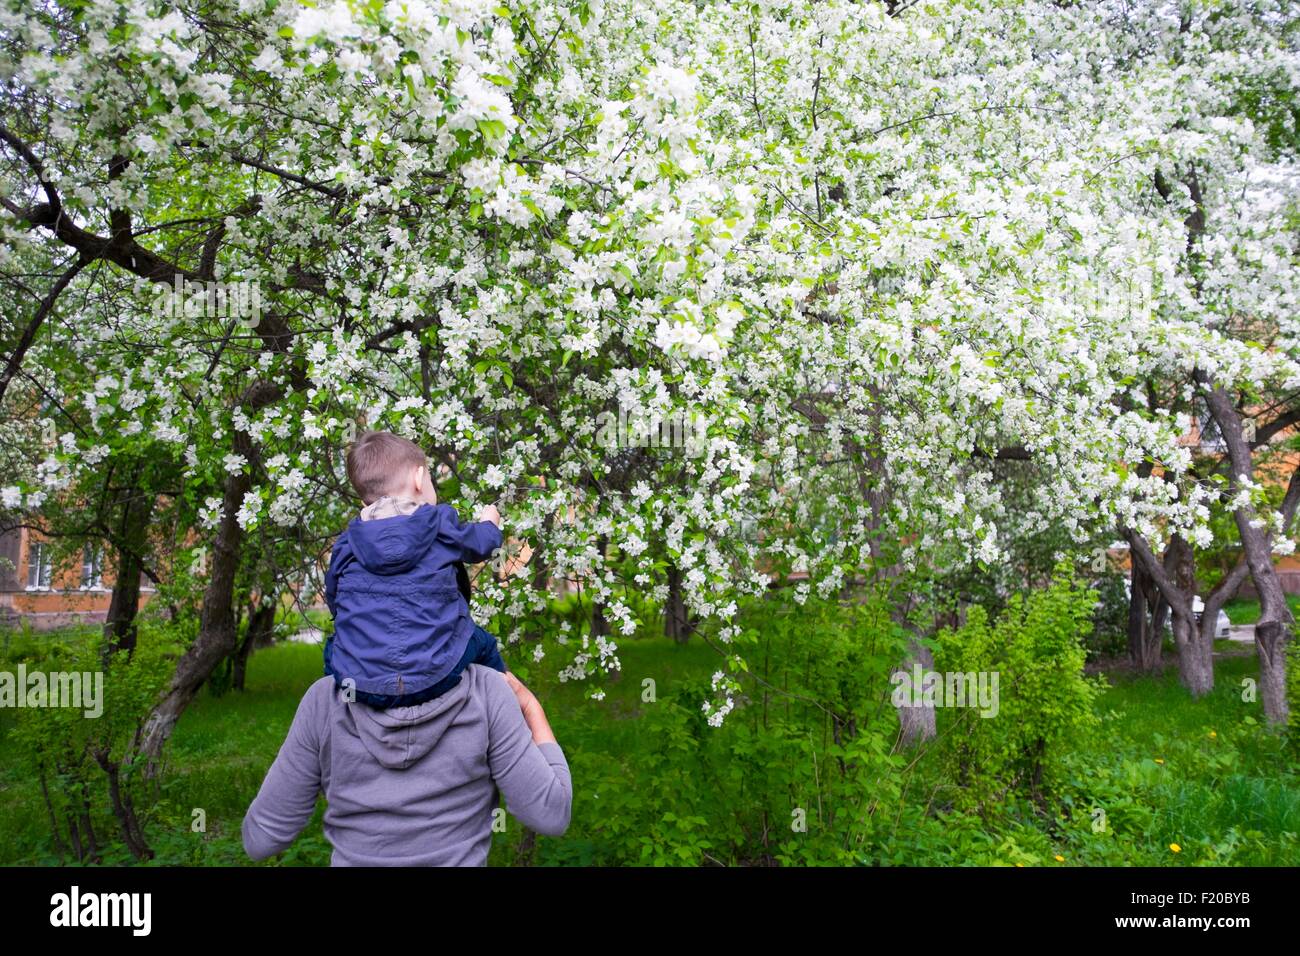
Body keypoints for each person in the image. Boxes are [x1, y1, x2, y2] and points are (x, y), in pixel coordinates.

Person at [241, 666, 571, 865]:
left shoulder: (328, 698)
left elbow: (261, 839)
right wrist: (531, 707)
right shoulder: (486, 690)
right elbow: (551, 813)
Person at [322, 429, 508, 708]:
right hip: (437, 675)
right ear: (419, 479)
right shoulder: (438, 523)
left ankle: (340, 709)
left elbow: (335, 599)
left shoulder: (347, 542)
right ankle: (508, 704)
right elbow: (482, 545)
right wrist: (490, 523)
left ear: (364, 502)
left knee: (333, 650)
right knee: (483, 643)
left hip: (362, 685)